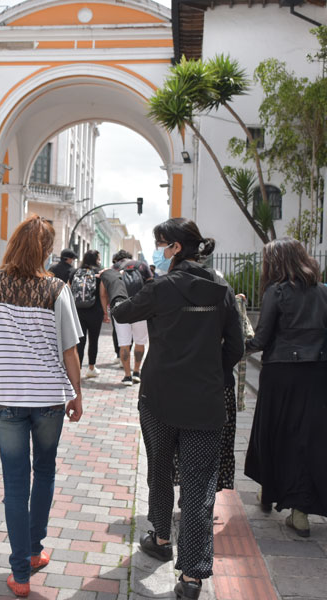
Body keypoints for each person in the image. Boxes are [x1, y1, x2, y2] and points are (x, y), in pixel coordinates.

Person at [112, 218, 243, 600]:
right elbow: (236, 347)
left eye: (160, 244)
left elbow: (121, 313)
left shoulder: (161, 287)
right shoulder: (221, 289)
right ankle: (192, 577)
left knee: (160, 470)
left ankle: (161, 538)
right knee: (200, 488)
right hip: (205, 402)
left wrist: (117, 283)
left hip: (159, 398)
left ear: (175, 248)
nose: (158, 250)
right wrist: (209, 373)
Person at [0, 215, 83, 598]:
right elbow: (70, 349)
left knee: (15, 483)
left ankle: (20, 574)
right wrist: (76, 394)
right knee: (44, 471)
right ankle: (33, 551)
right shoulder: (57, 289)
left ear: (14, 243)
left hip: (8, 399)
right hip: (49, 399)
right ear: (46, 250)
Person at [244, 238, 327, 537]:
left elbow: (261, 338)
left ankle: (269, 491)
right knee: (307, 439)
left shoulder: (276, 291)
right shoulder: (324, 291)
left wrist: (235, 348)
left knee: (273, 434)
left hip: (280, 374)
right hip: (317, 373)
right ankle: (300, 511)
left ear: (276, 262)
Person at [110, 249, 153, 386]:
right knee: (140, 342)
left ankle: (127, 376)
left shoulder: (114, 268)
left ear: (117, 259)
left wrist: (107, 309)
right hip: (141, 309)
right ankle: (136, 372)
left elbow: (105, 290)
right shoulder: (142, 266)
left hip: (121, 309)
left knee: (124, 343)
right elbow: (152, 287)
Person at [69, 249, 109, 378]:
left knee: (80, 341)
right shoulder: (99, 273)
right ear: (95, 260)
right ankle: (91, 368)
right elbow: (102, 295)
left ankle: (77, 370)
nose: (100, 261)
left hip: (78, 312)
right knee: (93, 340)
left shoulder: (75, 272)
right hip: (95, 311)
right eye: (99, 258)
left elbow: (68, 291)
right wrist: (105, 312)